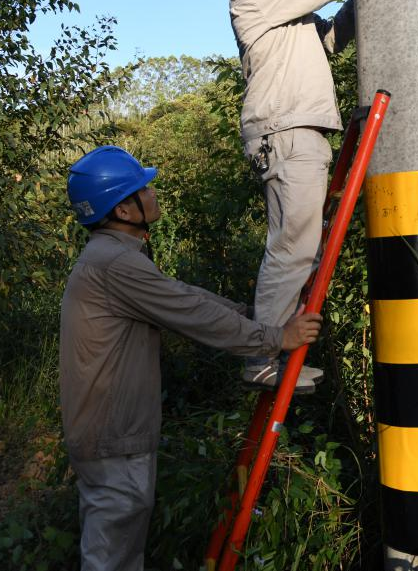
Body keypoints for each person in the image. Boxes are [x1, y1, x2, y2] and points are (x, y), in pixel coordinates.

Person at [60, 145, 322, 571]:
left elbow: (182, 296)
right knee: (112, 560)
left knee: (117, 553)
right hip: (113, 438)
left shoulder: (115, 258)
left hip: (111, 434)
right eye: (144, 189)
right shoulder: (114, 265)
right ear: (124, 211)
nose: (154, 193)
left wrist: (248, 313)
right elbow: (191, 314)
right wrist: (273, 337)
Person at [206, 0, 356, 392]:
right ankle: (264, 356)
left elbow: (328, 39)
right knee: (292, 248)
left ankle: (269, 352)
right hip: (286, 131)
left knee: (300, 247)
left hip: (296, 129)